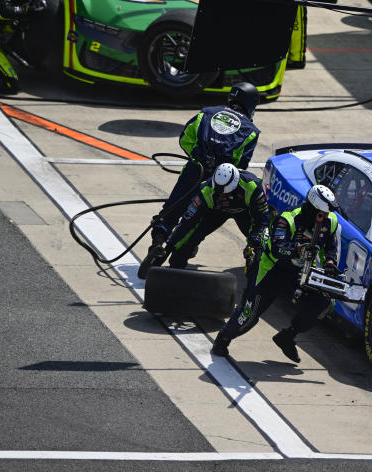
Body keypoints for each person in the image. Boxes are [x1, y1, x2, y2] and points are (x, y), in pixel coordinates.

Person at [211, 185, 341, 363]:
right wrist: (299, 250)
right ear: (312, 209)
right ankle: (223, 338)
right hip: (273, 269)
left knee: (325, 302)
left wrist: (330, 262)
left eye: (326, 214)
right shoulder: (286, 220)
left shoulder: (331, 221)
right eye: (321, 214)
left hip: (301, 271)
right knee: (251, 311)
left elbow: (330, 247)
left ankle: (288, 336)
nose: (325, 217)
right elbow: (277, 248)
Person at [143, 82, 261, 264]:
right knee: (197, 218)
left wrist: (198, 157)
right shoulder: (251, 131)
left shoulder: (206, 113)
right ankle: (184, 248)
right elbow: (240, 165)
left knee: (172, 210)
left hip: (194, 169)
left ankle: (157, 244)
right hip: (218, 180)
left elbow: (185, 139)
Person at [138, 163, 270, 277]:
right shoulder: (206, 190)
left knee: (262, 241)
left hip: (246, 213)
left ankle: (262, 273)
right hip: (215, 212)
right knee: (188, 239)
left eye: (226, 192)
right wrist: (168, 248)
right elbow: (186, 223)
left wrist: (254, 242)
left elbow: (261, 220)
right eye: (219, 191)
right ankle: (176, 268)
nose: (222, 194)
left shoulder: (253, 186)